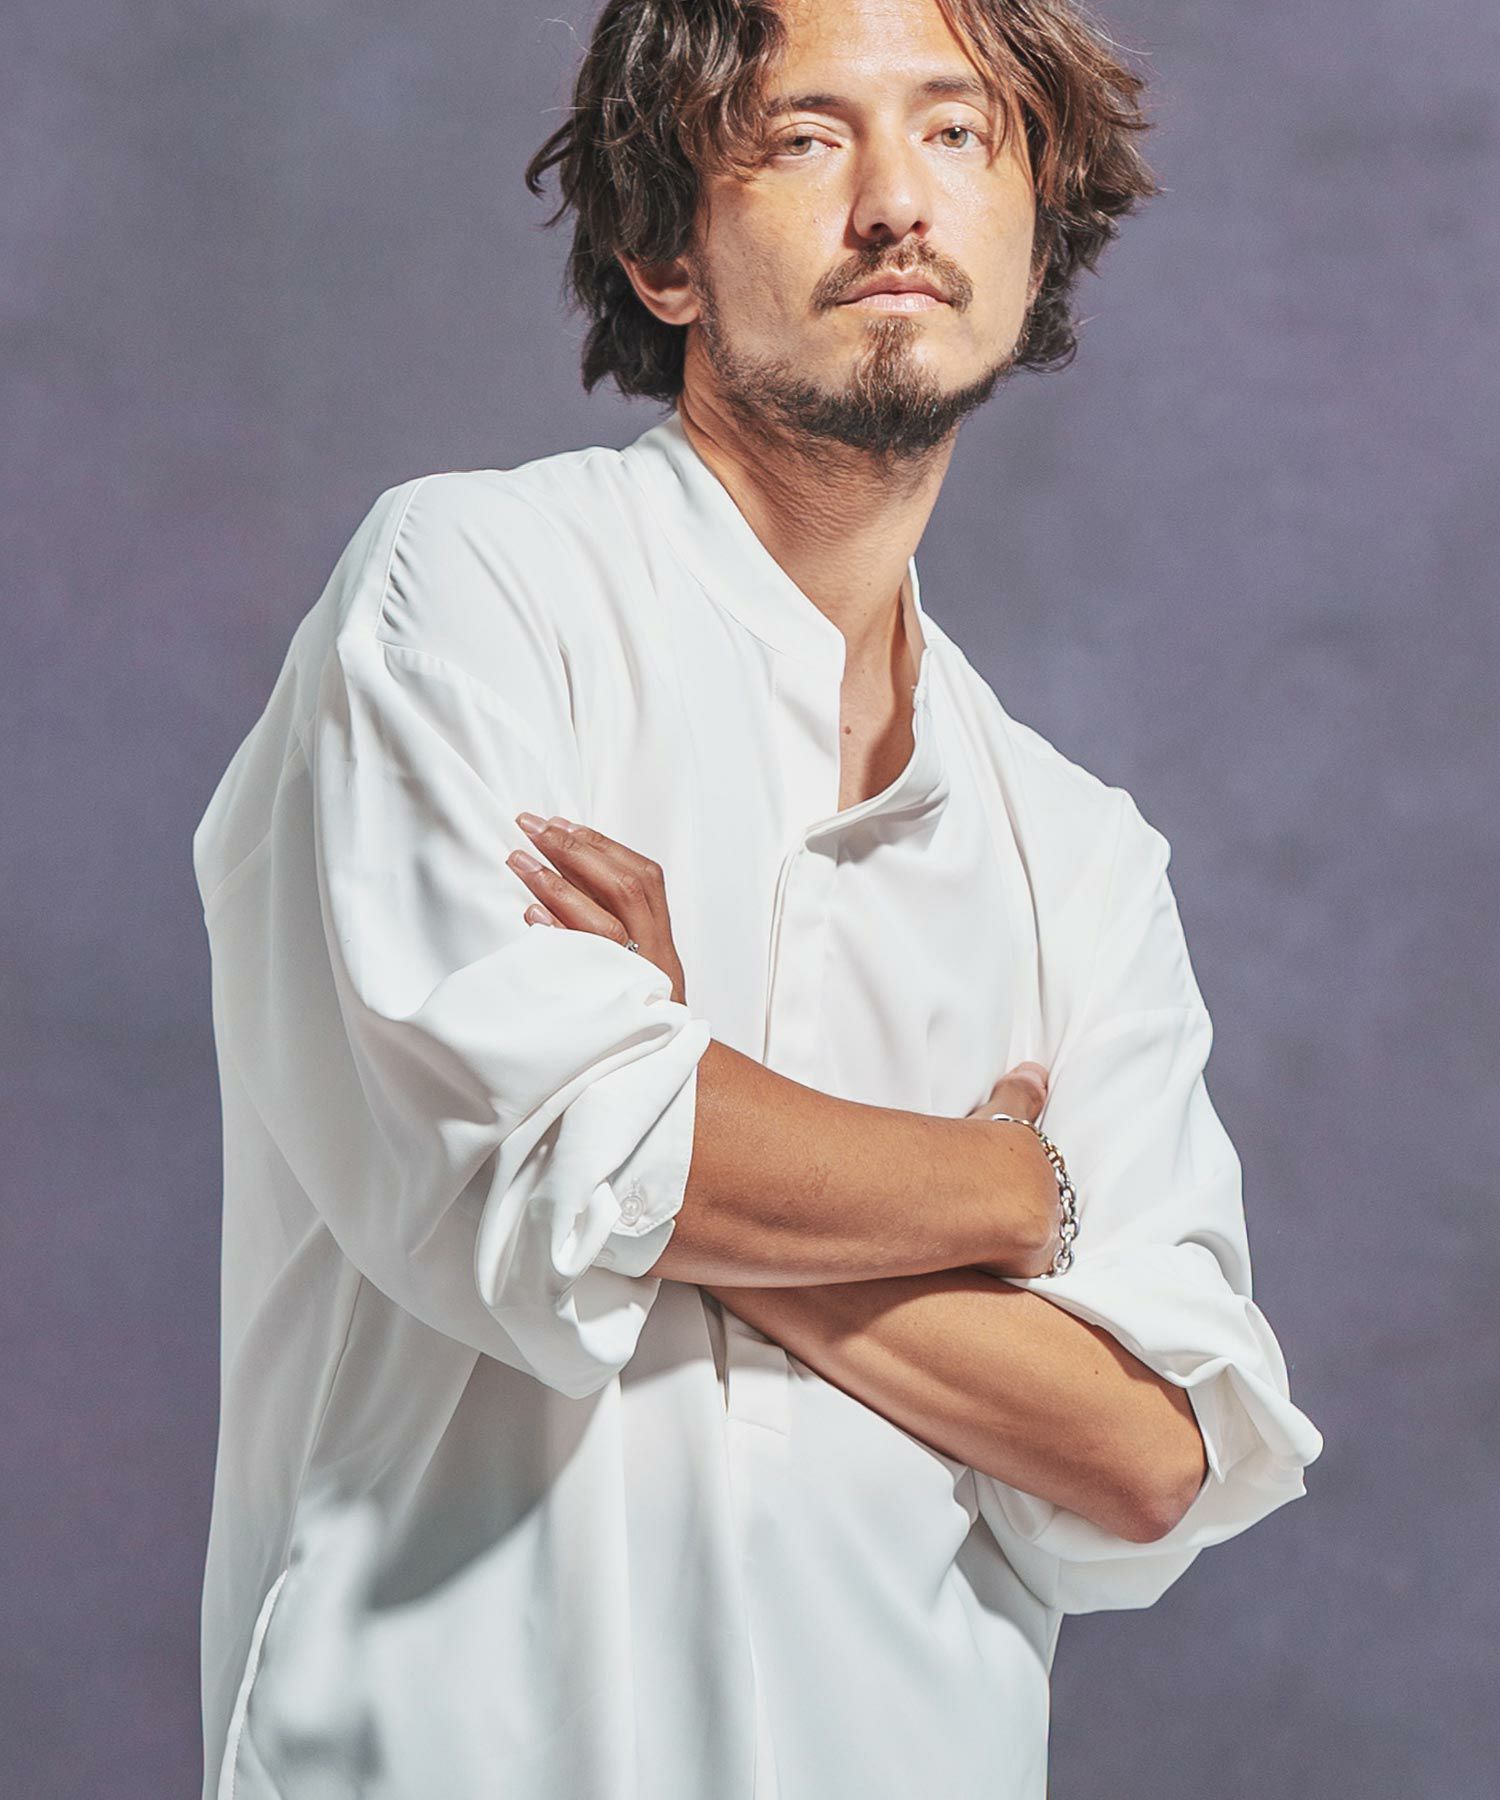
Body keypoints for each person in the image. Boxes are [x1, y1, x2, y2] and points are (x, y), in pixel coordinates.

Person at [191, 0, 1324, 1794]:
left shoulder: (1080, 851)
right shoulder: (473, 589)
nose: (897, 202)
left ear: (1037, 229)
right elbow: (568, 1164)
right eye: (806, 137)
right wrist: (1005, 1190)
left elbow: (1149, 1456)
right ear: (664, 250)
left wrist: (694, 1103)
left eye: (957, 133)